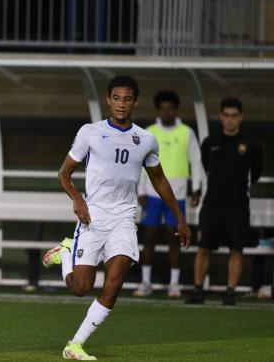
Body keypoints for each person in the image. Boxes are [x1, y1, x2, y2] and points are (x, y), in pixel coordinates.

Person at [43, 75, 190, 360]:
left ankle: (75, 345)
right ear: (108, 100)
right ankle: (65, 251)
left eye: (127, 99)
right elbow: (64, 174)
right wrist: (77, 199)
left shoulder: (146, 139)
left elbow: (159, 180)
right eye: (117, 98)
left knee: (116, 279)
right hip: (93, 216)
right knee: (80, 288)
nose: (121, 104)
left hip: (124, 217)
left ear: (135, 102)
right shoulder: (90, 132)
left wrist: (179, 217)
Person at [186, 97, 263, 306]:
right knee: (203, 247)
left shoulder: (251, 145)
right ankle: (198, 290)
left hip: (238, 206)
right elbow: (205, 165)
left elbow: (255, 173)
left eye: (234, 116)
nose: (230, 120)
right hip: (212, 204)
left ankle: (230, 292)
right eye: (226, 115)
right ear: (221, 117)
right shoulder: (210, 143)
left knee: (236, 249)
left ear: (241, 117)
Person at [134, 90, 203, 298]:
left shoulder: (186, 132)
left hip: (178, 194)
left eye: (170, 108)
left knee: (175, 239)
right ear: (158, 110)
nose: (166, 112)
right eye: (162, 108)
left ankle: (174, 283)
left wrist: (196, 188)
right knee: (149, 237)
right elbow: (139, 163)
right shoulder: (149, 131)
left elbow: (196, 161)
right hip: (152, 195)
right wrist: (140, 190)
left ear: (175, 110)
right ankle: (146, 282)